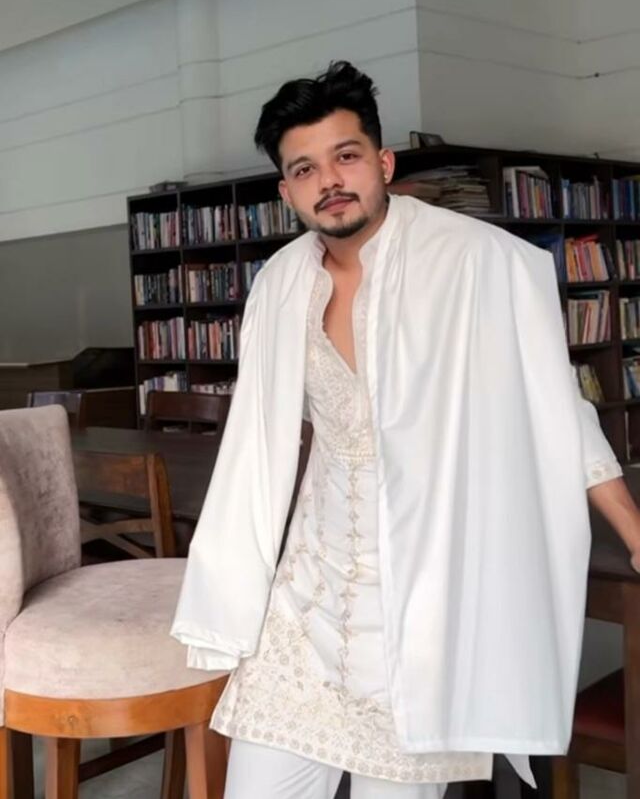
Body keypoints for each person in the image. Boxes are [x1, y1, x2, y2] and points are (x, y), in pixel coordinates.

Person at [172, 61, 640, 799]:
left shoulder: (474, 264)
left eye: (346, 155)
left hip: (426, 606)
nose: (330, 180)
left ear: (383, 163)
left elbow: (557, 409)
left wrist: (634, 530)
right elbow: (264, 434)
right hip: (308, 604)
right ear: (287, 191)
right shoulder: (280, 285)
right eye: (305, 168)